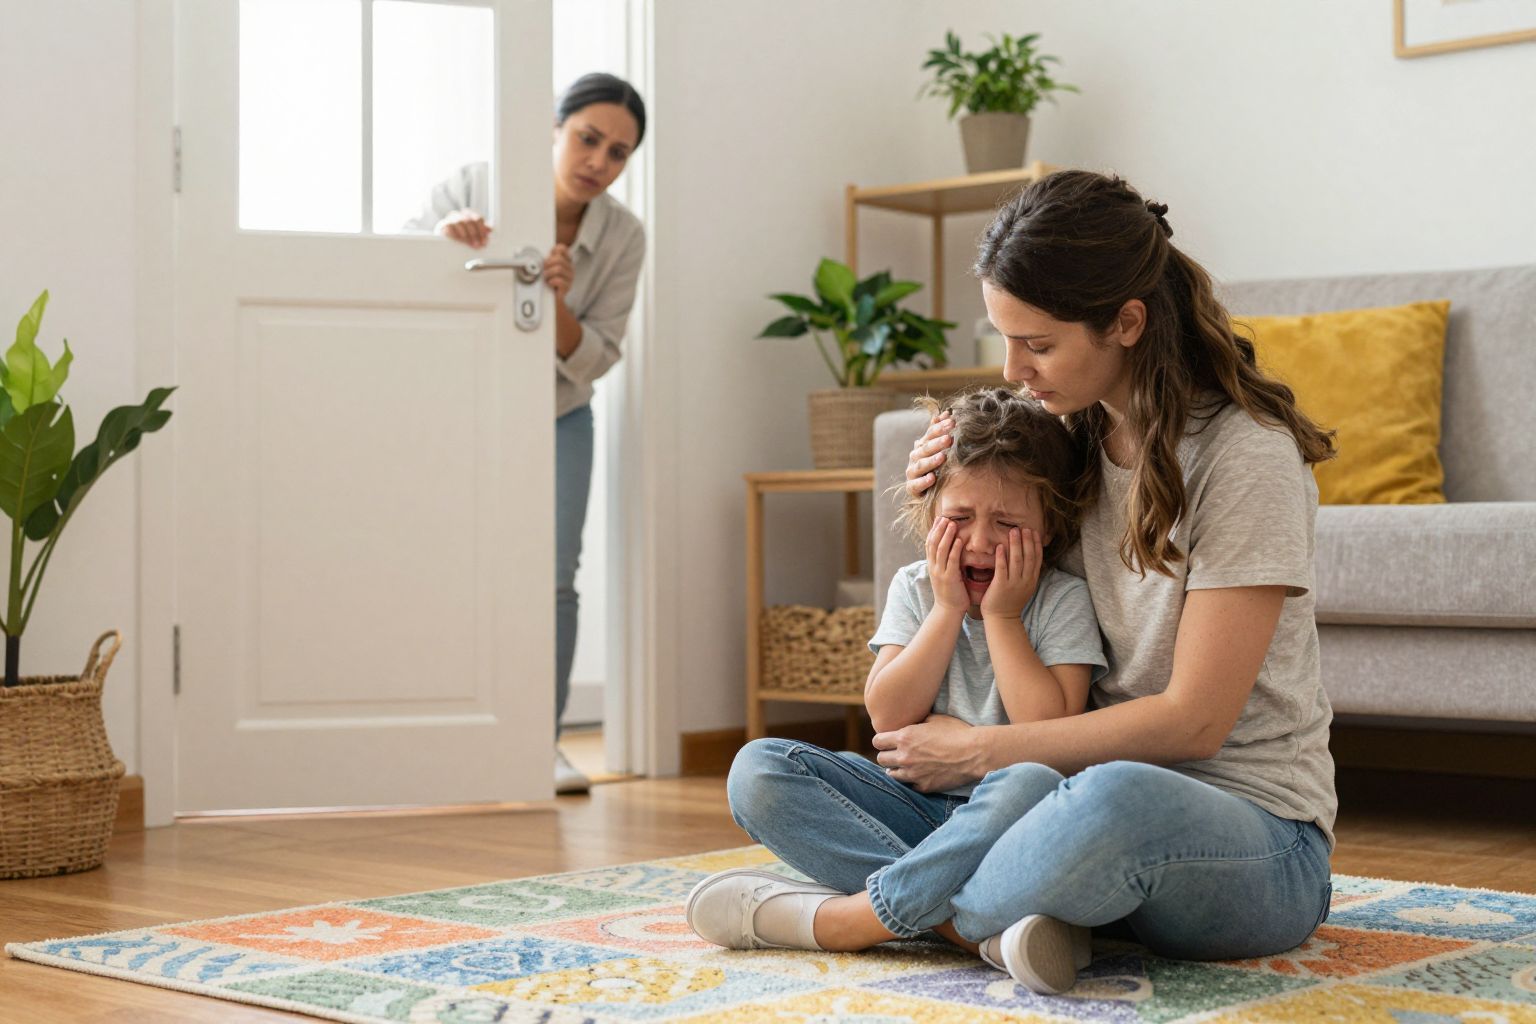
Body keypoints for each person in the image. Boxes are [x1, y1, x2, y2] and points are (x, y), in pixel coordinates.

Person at [686, 169, 1338, 996]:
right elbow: (986, 464)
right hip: (1046, 806)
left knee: (1107, 801)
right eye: (1004, 338)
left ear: (1126, 323)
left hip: (1244, 839)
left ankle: (851, 919)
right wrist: (948, 447)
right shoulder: (1069, 431)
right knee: (765, 772)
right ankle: (1000, 928)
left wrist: (980, 749)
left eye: (1038, 344)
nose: (1015, 368)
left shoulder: (1244, 455)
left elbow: (1195, 724)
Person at [687, 385, 1107, 977]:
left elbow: (1051, 731)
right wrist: (945, 611)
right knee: (758, 770)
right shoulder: (917, 588)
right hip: (913, 808)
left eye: (1007, 523)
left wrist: (1002, 618)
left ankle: (857, 918)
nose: (980, 542)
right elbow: (887, 715)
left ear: (1051, 524)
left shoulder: (1061, 599)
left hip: (1009, 823)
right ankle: (963, 929)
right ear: (930, 513)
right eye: (959, 518)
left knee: (1031, 781)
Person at [407, 73, 647, 795]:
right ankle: (432, 738)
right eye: (588, 138)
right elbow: (403, 273)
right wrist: (447, 245)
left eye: (618, 152)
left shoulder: (624, 236)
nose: (599, 160)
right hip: (459, 407)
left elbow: (597, 355)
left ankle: (539, 745)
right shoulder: (476, 183)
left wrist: (557, 298)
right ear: (554, 128)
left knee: (553, 579)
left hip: (557, 411)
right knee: (442, 562)